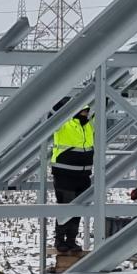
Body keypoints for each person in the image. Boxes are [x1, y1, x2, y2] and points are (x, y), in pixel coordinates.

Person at [49, 100, 94, 255]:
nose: (86, 114)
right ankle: (60, 241)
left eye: (87, 111)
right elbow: (54, 111)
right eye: (83, 111)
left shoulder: (88, 125)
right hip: (64, 175)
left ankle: (71, 241)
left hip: (83, 175)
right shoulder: (64, 123)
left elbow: (102, 106)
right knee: (65, 207)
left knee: (78, 209)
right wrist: (65, 99)